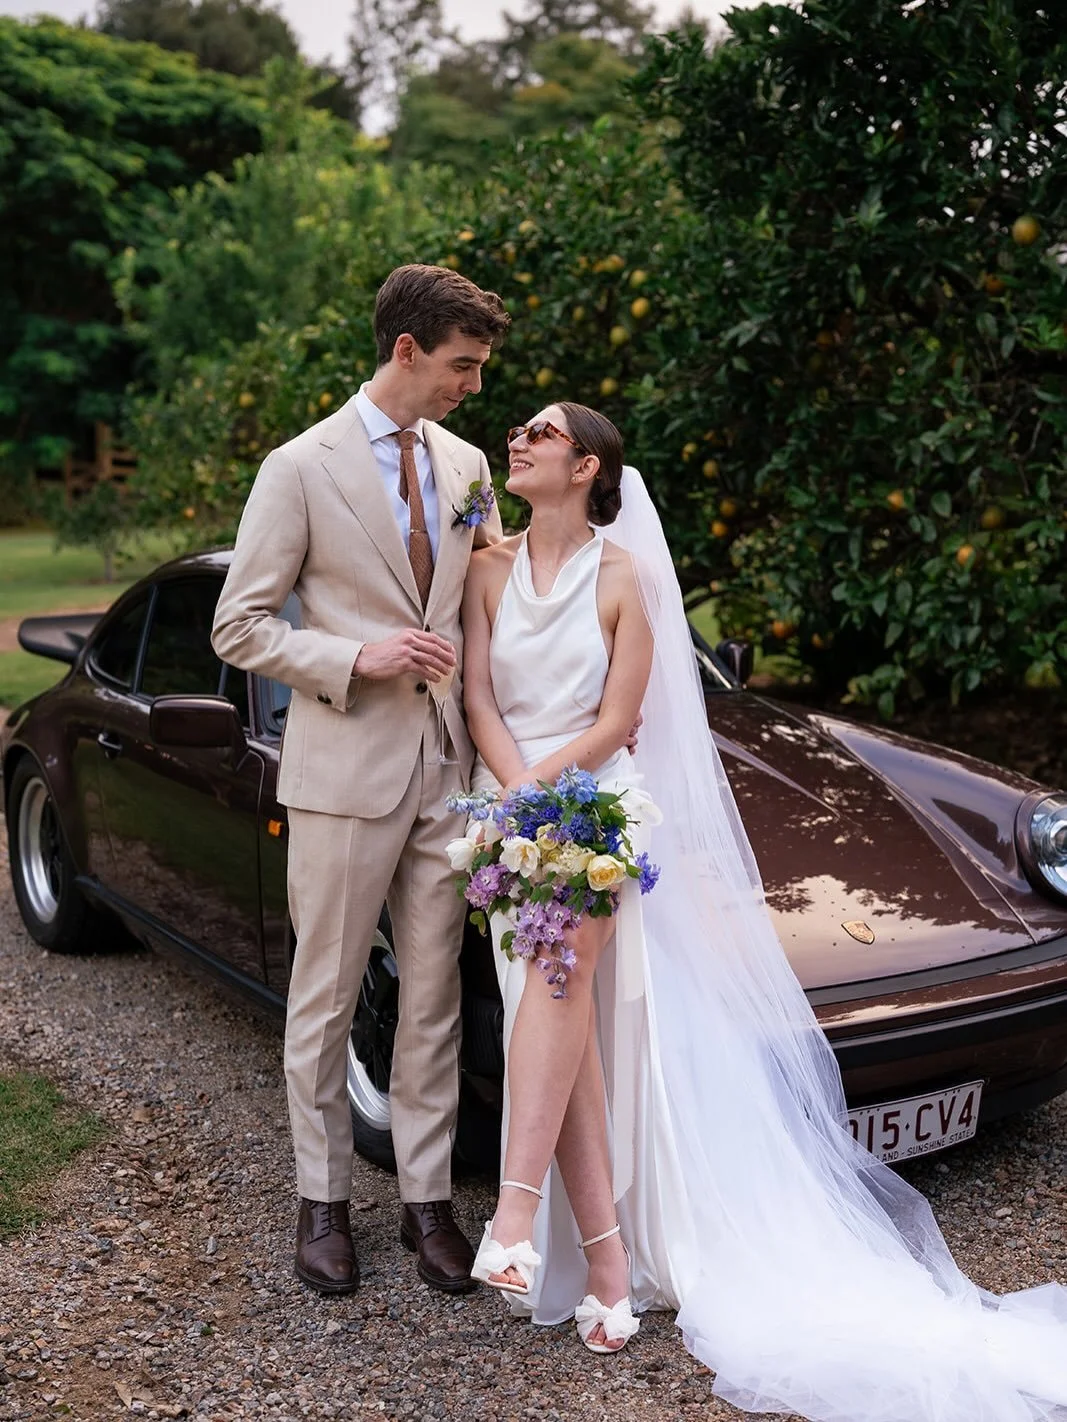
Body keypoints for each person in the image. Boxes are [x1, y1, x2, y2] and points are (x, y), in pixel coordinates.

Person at [459, 400, 1067, 1419]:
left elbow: (621, 719)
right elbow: (478, 695)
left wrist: (544, 794)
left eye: (539, 432)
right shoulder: (485, 569)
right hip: (509, 809)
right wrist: (513, 799)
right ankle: (604, 1267)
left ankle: (516, 1221)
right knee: (565, 1036)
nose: (515, 439)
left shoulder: (624, 578)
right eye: (516, 429)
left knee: (555, 998)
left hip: (596, 807)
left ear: (588, 467)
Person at [211, 264, 508, 1297]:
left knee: (430, 1001)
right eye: (462, 366)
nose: (472, 385)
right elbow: (238, 624)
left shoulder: (467, 462)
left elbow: (485, 596)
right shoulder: (297, 468)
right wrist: (352, 659)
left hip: (445, 778)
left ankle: (427, 1208)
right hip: (340, 778)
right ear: (406, 350)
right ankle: (322, 1203)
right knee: (326, 999)